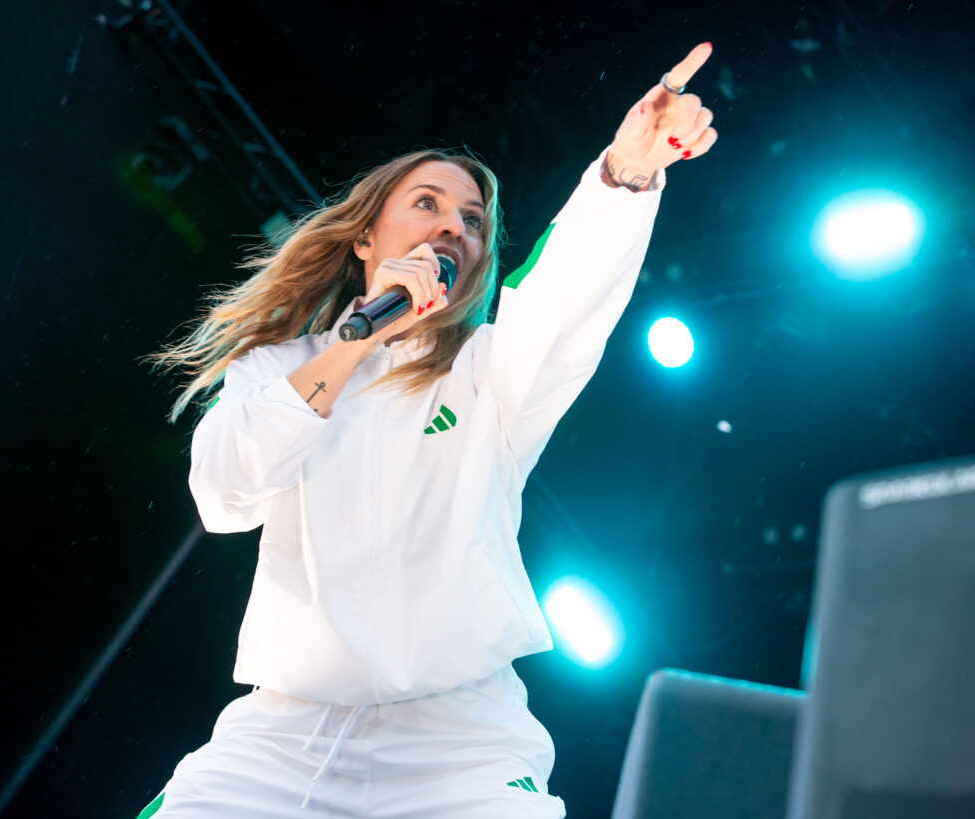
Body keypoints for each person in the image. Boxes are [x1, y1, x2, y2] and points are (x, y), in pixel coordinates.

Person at [142, 43, 717, 819]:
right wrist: (356, 342)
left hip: (459, 745)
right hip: (280, 738)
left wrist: (624, 175)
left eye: (472, 221)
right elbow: (223, 494)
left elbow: (561, 296)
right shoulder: (276, 367)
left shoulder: (489, 371)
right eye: (428, 204)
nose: (454, 227)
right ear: (365, 237)